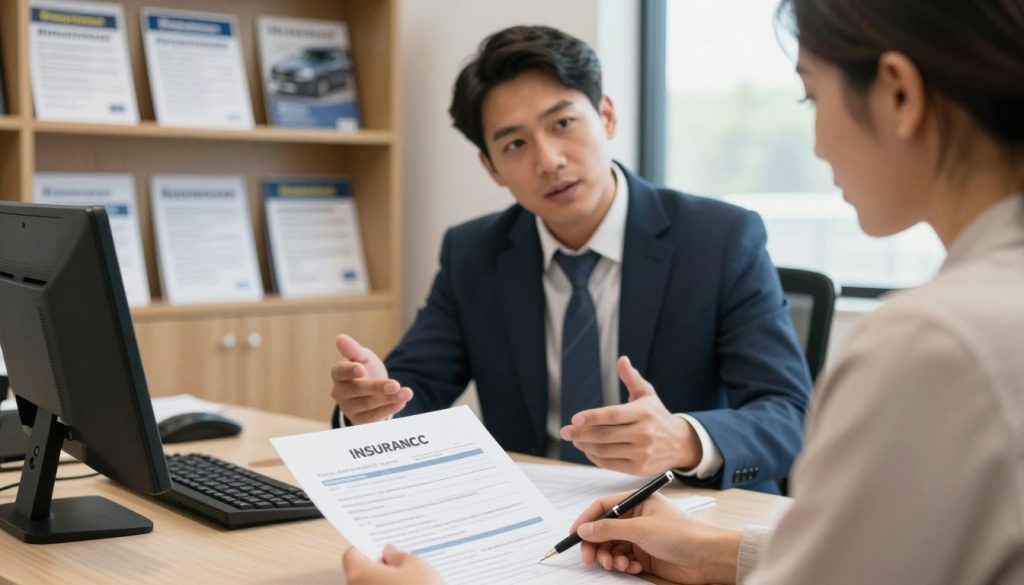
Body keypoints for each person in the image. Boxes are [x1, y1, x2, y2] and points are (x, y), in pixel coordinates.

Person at [556, 0, 1024, 584]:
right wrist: (712, 553)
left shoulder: (934, 339)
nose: (818, 145)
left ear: (899, 94)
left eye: (812, 98)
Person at [330, 25, 811, 493]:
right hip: (534, 520)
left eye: (563, 123)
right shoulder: (474, 253)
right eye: (515, 143)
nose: (549, 159)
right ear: (491, 167)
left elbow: (788, 413)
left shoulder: (719, 238)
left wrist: (682, 439)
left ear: (606, 116)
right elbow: (413, 389)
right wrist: (374, 404)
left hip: (686, 510)